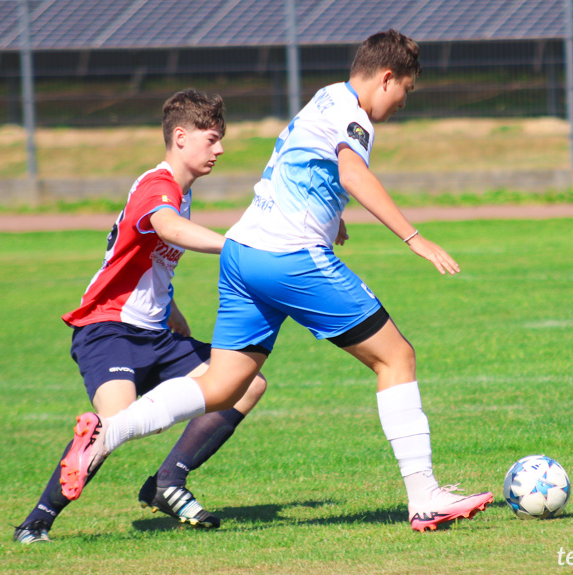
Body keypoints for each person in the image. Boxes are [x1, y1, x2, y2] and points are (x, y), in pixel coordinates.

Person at [61, 29, 493, 533]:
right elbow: (352, 173)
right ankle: (425, 497)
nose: (403, 103)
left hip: (243, 252)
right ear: (387, 77)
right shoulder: (353, 116)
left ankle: (109, 433)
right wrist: (413, 237)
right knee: (396, 357)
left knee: (223, 386)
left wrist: (330, 215)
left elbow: (297, 162)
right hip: (290, 258)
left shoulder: (325, 97)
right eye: (406, 91)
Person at [13, 89, 267, 544]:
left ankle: (167, 484)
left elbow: (148, 264)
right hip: (107, 329)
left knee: (245, 384)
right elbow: (168, 229)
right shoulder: (159, 185)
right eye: (212, 139)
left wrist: (174, 314)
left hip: (157, 333)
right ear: (181, 137)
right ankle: (37, 521)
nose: (220, 149)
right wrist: (233, 245)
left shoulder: (181, 193)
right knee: (113, 425)